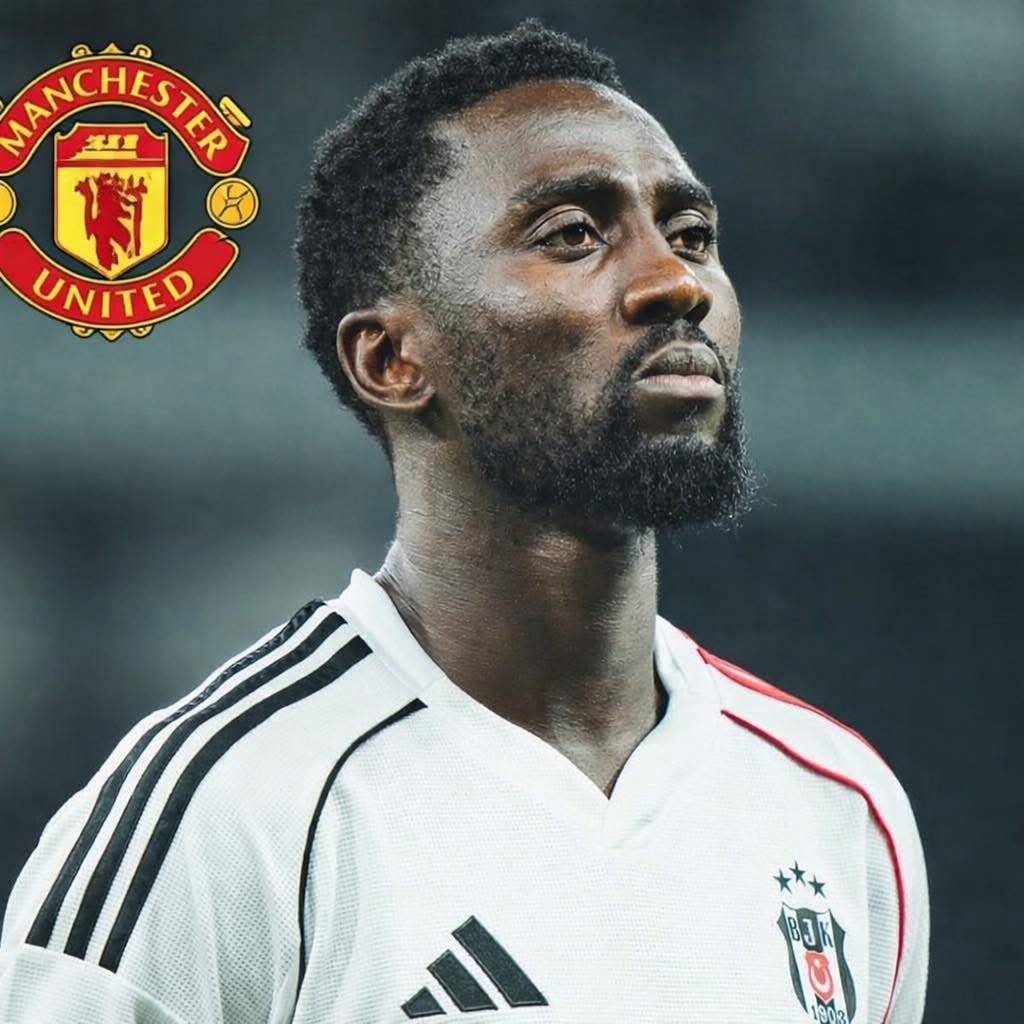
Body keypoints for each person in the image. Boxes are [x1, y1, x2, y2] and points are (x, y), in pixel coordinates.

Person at [0, 19, 928, 1024]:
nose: (676, 283)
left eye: (692, 235)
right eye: (572, 234)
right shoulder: (227, 811)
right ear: (393, 360)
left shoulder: (837, 806)